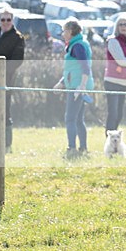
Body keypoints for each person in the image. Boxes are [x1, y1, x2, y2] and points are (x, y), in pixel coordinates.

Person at [54, 20, 94, 159]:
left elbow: (85, 68)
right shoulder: (77, 44)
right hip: (76, 85)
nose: (62, 34)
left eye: (64, 30)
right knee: (78, 119)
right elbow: (72, 69)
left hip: (77, 87)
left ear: (70, 31)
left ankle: (72, 148)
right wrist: (62, 83)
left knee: (70, 118)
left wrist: (81, 87)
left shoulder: (77, 46)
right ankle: (83, 148)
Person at [0, 7, 25, 151]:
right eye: (2, 19)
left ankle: (7, 145)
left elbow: (17, 61)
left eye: (8, 19)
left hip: (5, 81)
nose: (5, 22)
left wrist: (1, 74)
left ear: (12, 20)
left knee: (5, 111)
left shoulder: (17, 38)